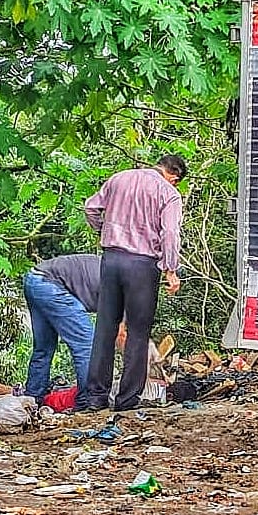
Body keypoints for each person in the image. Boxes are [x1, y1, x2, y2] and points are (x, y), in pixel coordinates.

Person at [83, 154, 187, 411]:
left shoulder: (120, 178)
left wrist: (103, 231)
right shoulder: (168, 193)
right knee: (138, 333)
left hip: (112, 258)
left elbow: (90, 207)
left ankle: (95, 398)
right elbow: (171, 233)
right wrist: (170, 270)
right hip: (142, 264)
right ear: (173, 177)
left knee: (106, 328)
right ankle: (127, 400)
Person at [23, 254, 101, 409]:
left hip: (34, 278)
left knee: (43, 348)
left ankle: (32, 398)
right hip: (50, 284)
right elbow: (121, 334)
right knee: (87, 345)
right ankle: (87, 401)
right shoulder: (125, 290)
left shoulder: (119, 272)